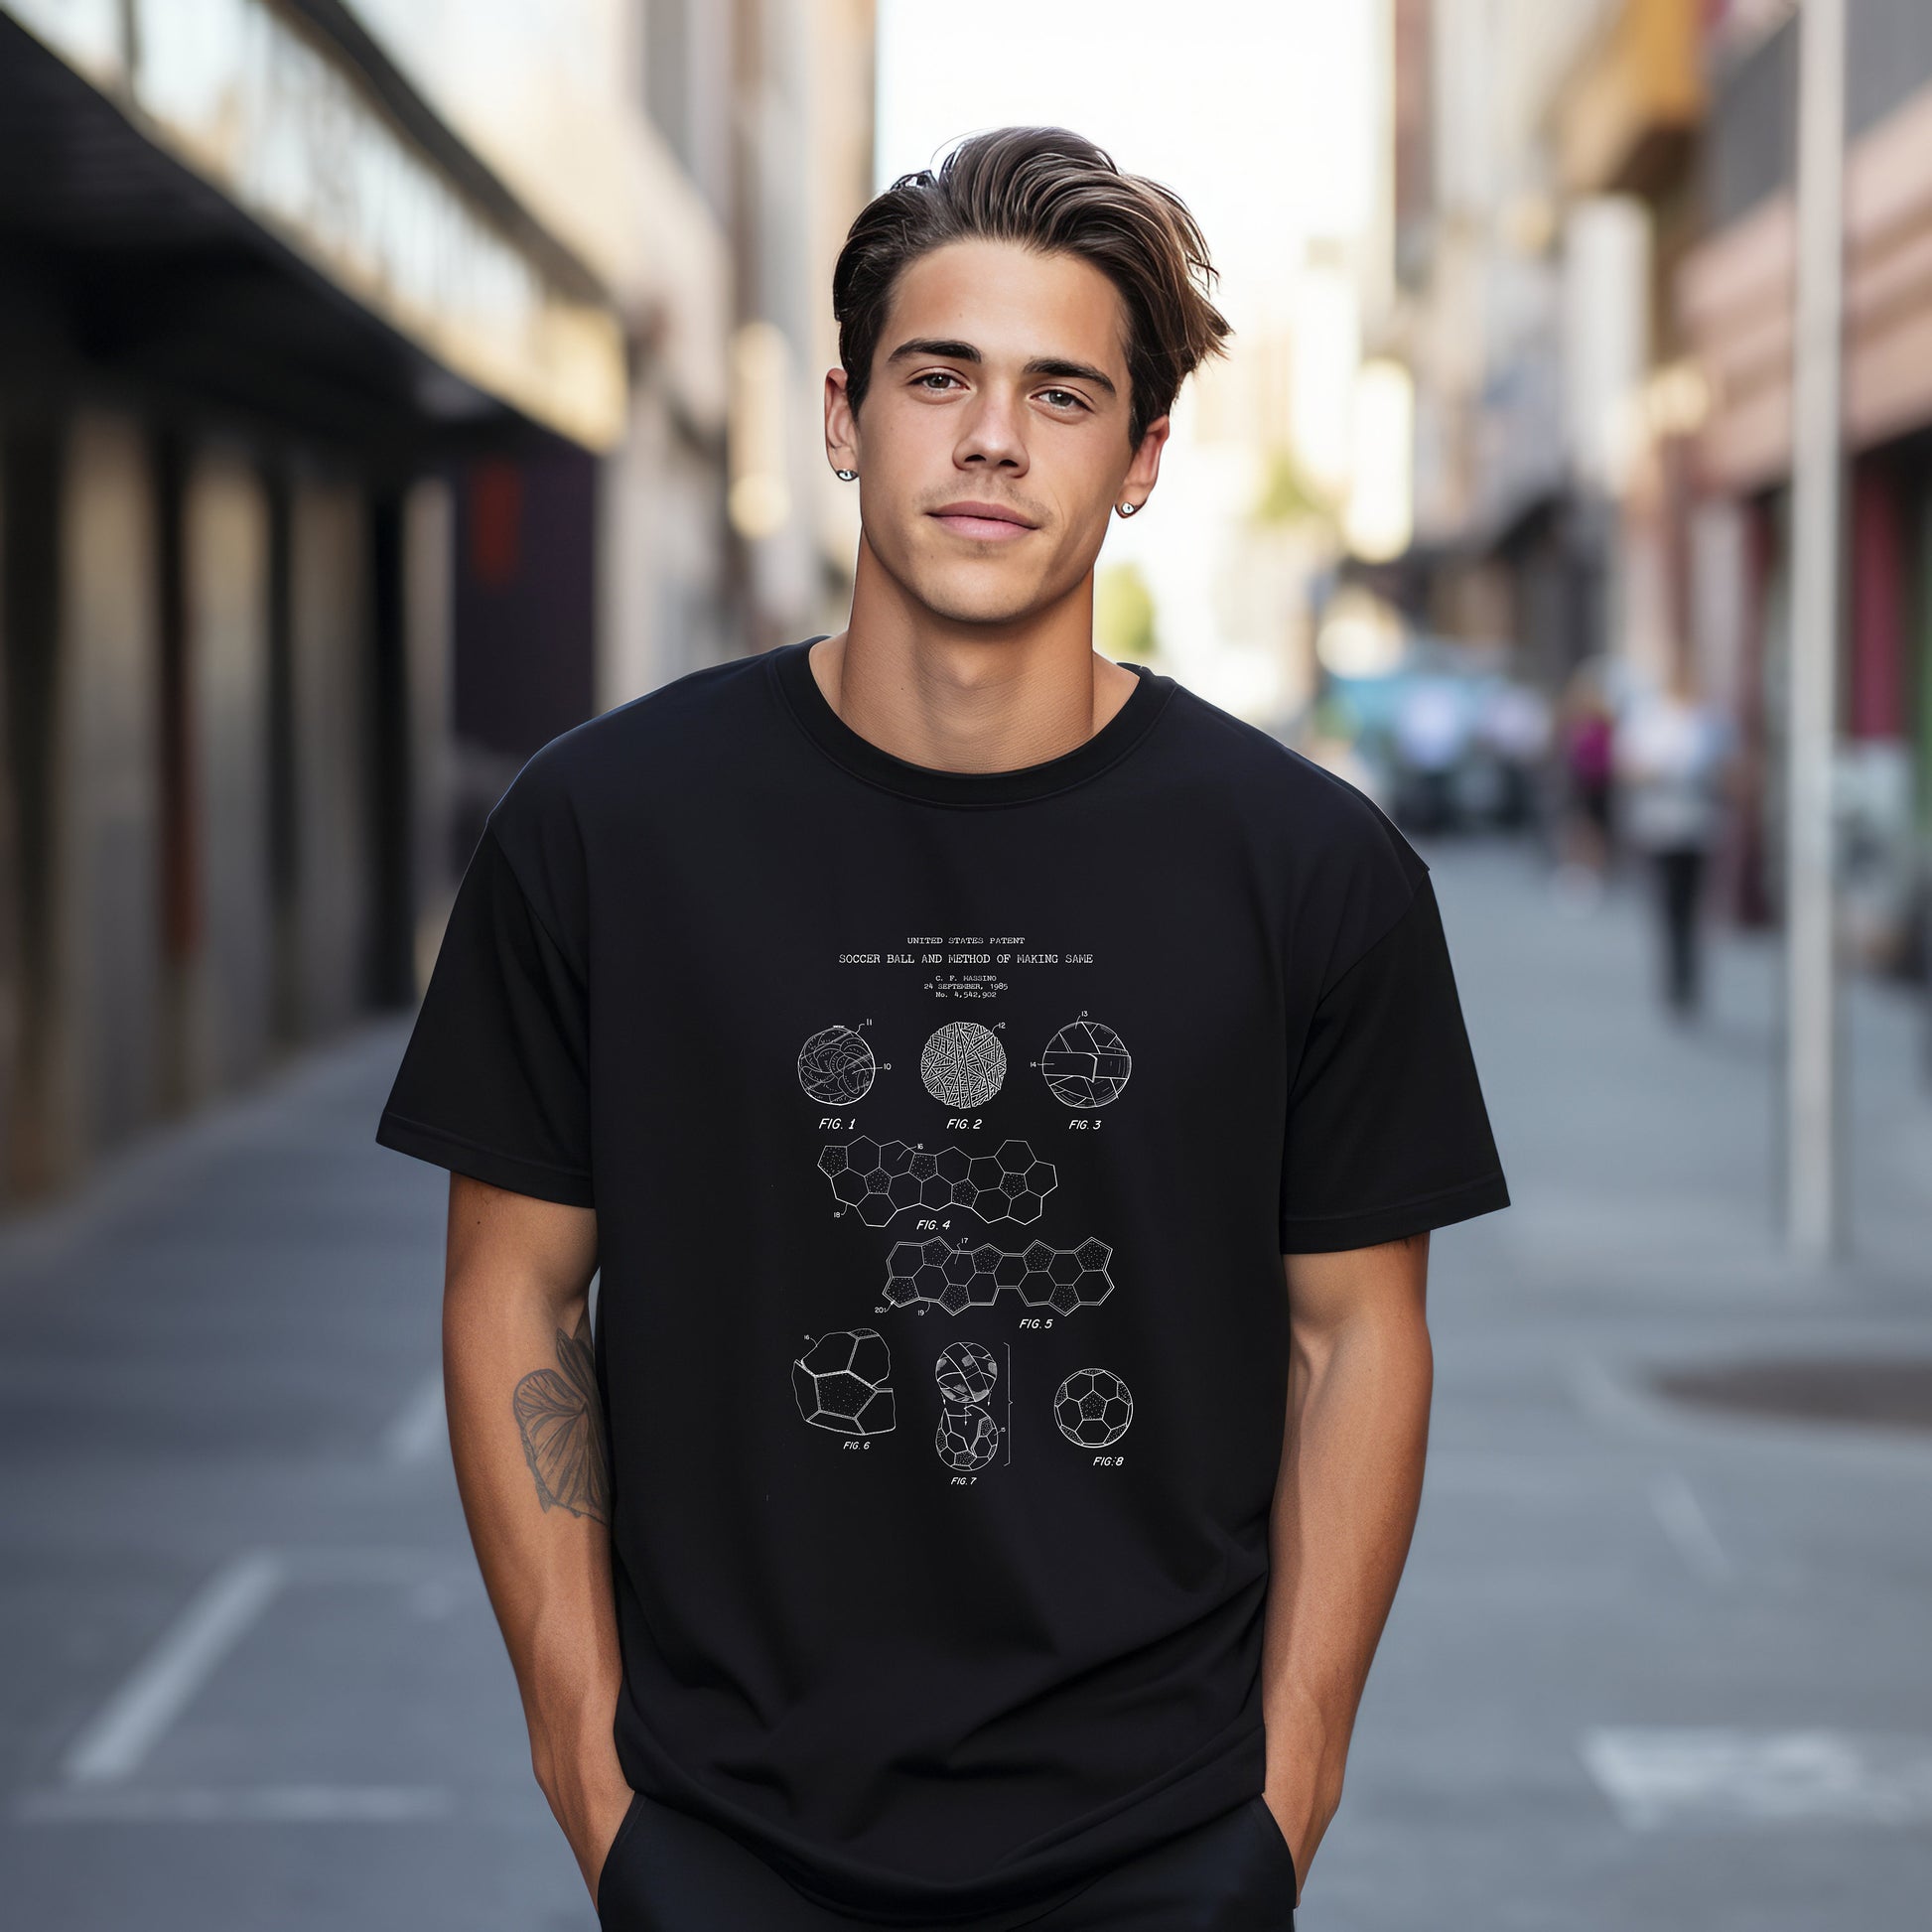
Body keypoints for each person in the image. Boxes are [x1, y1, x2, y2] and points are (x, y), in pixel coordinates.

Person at [375, 126, 1510, 1932]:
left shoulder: (1313, 873)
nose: (993, 437)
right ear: (844, 414)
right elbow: (510, 1292)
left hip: (1162, 1846)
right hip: (721, 1839)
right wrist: (594, 1781)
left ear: (1142, 459)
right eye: (938, 376)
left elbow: (1355, 1343)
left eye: (1063, 394)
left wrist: (1282, 1803)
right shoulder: (601, 831)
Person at [1615, 663, 1734, 1018]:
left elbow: (1724, 768)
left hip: (1696, 825)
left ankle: (1689, 977)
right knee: (1668, 903)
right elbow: (1629, 764)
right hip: (1660, 824)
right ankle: (1674, 978)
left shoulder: (1707, 721)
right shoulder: (1650, 718)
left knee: (1691, 902)